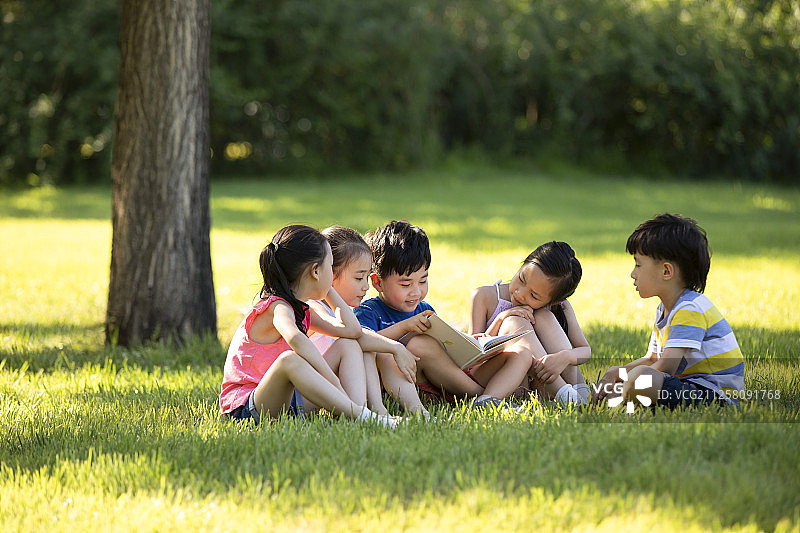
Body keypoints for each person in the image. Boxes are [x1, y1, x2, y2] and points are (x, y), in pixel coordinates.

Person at [219, 224, 397, 428]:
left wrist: (328, 288)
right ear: (315, 271)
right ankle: (365, 416)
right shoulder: (276, 307)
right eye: (330, 267)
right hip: (247, 410)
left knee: (348, 344)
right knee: (289, 360)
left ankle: (357, 413)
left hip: (288, 402)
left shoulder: (302, 310)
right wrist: (332, 380)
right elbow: (294, 338)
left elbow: (352, 330)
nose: (333, 273)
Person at [593, 213, 744, 409]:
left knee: (639, 379)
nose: (632, 274)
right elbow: (653, 359)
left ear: (666, 271)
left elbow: (665, 368)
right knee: (637, 378)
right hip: (687, 387)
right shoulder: (664, 309)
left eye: (638, 265)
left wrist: (626, 384)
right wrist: (617, 372)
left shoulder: (690, 309)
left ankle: (625, 399)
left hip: (715, 396)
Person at [354, 220, 488, 405]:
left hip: (437, 383)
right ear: (377, 283)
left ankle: (490, 394)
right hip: (401, 388)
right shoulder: (369, 312)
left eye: (423, 281)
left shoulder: (423, 309)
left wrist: (465, 342)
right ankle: (484, 396)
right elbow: (361, 341)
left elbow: (444, 352)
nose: (416, 292)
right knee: (419, 345)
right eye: (406, 284)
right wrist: (405, 327)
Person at [308, 226, 424, 417]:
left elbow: (363, 339)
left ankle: (379, 411)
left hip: (331, 386)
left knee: (368, 346)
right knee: (358, 343)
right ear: (330, 274)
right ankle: (363, 413)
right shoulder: (313, 307)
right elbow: (355, 334)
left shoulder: (341, 311)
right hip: (313, 389)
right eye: (359, 277)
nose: (366, 286)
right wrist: (396, 347)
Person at [468, 241, 591, 407]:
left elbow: (585, 350)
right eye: (521, 279)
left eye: (534, 295)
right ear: (523, 263)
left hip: (538, 387)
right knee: (514, 321)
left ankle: (579, 391)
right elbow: (472, 357)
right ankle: (569, 397)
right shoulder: (484, 296)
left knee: (543, 317)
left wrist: (564, 357)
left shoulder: (558, 308)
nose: (520, 293)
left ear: (554, 301)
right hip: (500, 378)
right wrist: (501, 318)